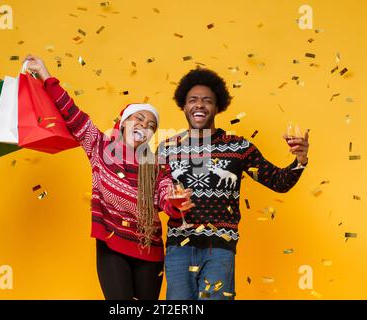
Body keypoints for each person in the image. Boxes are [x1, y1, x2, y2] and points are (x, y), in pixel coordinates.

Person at [22, 55, 195, 300]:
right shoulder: (99, 145)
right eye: (139, 119)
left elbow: (165, 195)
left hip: (149, 250)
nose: (144, 126)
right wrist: (45, 74)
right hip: (112, 243)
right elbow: (72, 113)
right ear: (124, 123)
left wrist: (175, 204)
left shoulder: (156, 164)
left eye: (150, 125)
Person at [159, 68, 310, 300]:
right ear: (183, 106)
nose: (199, 105)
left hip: (220, 248)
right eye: (193, 100)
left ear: (218, 106)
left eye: (207, 100)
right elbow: (153, 197)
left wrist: (299, 160)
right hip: (178, 248)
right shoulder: (166, 149)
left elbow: (278, 182)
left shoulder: (239, 148)